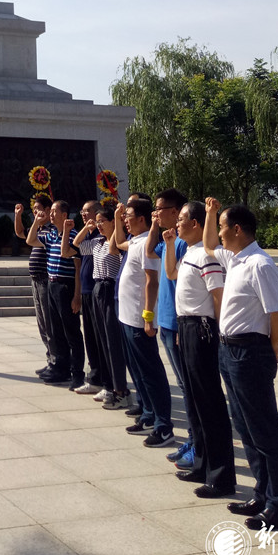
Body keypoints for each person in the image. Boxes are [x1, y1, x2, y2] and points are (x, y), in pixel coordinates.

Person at [203, 196, 278, 531]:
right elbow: (209, 244)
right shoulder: (235, 258)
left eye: (223, 227)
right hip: (230, 352)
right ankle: (262, 494)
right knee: (245, 428)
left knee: (266, 432)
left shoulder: (260, 264)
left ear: (238, 229)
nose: (220, 233)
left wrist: (271, 343)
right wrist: (212, 213)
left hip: (250, 354)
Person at [164, 201, 236, 498]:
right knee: (194, 401)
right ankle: (202, 465)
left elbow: (218, 296)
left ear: (195, 223)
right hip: (187, 327)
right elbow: (171, 274)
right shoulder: (189, 252)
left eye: (181, 219)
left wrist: (219, 333)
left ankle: (221, 477)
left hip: (203, 328)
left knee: (210, 403)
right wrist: (170, 245)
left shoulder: (207, 256)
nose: (177, 223)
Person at [114, 198, 174, 447]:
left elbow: (152, 281)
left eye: (128, 216)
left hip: (140, 321)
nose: (125, 220)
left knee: (151, 375)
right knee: (138, 372)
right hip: (127, 317)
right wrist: (117, 218)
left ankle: (163, 426)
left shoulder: (149, 243)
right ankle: (148, 415)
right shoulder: (135, 241)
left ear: (142, 218)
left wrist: (148, 317)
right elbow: (117, 243)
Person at [146, 189, 193, 467]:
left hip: (177, 323)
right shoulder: (168, 239)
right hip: (165, 321)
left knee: (188, 386)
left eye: (160, 209)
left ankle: (197, 441)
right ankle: (193, 439)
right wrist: (155, 225)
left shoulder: (183, 243)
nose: (156, 213)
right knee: (183, 384)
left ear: (175, 211)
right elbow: (149, 251)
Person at [69, 205, 130, 408]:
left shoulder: (118, 242)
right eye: (98, 222)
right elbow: (76, 244)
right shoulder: (97, 242)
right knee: (101, 340)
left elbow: (114, 249)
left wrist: (117, 221)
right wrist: (87, 227)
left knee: (112, 341)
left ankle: (119, 389)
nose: (99, 225)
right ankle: (108, 385)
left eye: (102, 221)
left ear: (113, 221)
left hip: (109, 287)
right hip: (97, 288)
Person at [26, 199, 85, 389]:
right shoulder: (51, 234)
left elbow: (77, 268)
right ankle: (61, 368)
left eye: (54, 211)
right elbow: (30, 240)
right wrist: (36, 221)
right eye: (50, 211)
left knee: (71, 332)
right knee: (56, 330)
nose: (50, 214)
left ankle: (77, 373)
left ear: (64, 215)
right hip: (52, 284)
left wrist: (77, 295)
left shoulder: (74, 235)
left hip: (66, 286)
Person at [14, 195, 57, 377]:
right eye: (34, 209)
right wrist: (18, 215)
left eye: (38, 208)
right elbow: (20, 233)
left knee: (50, 323)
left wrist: (37, 222)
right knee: (42, 324)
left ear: (48, 210)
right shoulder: (38, 228)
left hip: (46, 280)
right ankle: (50, 359)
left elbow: (28, 240)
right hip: (35, 280)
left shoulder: (52, 230)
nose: (35, 212)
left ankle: (57, 361)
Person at [74, 200, 108, 395]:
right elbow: (75, 245)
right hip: (87, 291)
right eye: (82, 211)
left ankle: (105, 379)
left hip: (99, 290)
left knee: (99, 337)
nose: (83, 214)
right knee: (90, 338)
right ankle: (95, 377)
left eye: (87, 211)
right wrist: (86, 228)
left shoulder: (102, 237)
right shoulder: (89, 235)